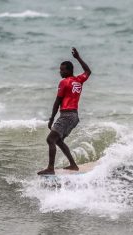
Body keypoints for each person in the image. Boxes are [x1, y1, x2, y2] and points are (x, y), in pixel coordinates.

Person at [37, 47, 91, 175]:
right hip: (74, 117)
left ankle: (50, 168)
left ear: (68, 70)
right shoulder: (79, 80)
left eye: (62, 70)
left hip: (67, 115)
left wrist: (51, 119)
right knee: (58, 141)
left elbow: (57, 102)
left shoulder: (64, 82)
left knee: (50, 140)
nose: (60, 72)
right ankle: (73, 165)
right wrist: (78, 58)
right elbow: (88, 71)